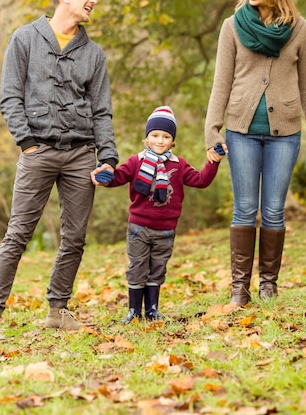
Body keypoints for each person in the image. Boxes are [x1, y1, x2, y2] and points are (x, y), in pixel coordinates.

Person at [0, 0, 118, 345]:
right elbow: (10, 97)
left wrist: (107, 156)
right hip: (37, 151)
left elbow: (102, 111)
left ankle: (58, 310)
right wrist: (27, 143)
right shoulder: (24, 39)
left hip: (80, 155)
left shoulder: (94, 54)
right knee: (17, 235)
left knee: (75, 238)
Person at [205, 0, 306, 306]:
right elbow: (221, 83)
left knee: (273, 210)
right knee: (244, 208)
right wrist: (212, 131)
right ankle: (239, 290)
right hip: (240, 132)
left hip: (285, 134)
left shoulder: (300, 29)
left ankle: (268, 285)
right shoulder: (232, 26)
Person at [91, 106, 221, 323]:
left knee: (158, 268)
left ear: (172, 141)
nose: (160, 141)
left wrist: (213, 162)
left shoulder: (179, 165)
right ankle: (134, 311)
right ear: (147, 138)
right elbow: (118, 177)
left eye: (166, 136)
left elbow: (201, 180)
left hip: (166, 229)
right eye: (155, 135)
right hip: (139, 228)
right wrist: (105, 174)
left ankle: (152, 310)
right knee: (138, 267)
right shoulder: (136, 161)